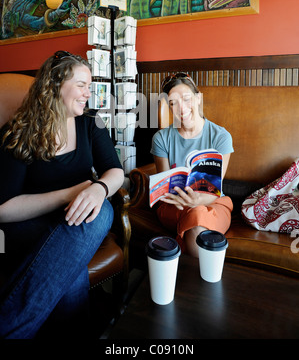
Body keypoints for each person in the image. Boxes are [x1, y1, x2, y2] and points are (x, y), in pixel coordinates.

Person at [0, 51, 124, 339]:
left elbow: (115, 171)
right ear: (55, 84)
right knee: (73, 270)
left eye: (89, 87)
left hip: (76, 224)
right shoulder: (18, 131)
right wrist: (70, 193)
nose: (87, 94)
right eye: (81, 85)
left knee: (101, 209)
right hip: (27, 226)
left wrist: (98, 188)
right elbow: (3, 209)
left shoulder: (92, 122)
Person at [151, 72, 234, 257]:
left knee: (197, 216)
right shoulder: (161, 138)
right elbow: (165, 190)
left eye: (187, 99)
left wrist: (198, 201)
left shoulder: (221, 137)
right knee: (195, 216)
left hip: (213, 203)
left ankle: (182, 272)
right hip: (175, 205)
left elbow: (214, 189)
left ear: (198, 99)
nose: (182, 108)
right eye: (173, 103)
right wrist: (187, 201)